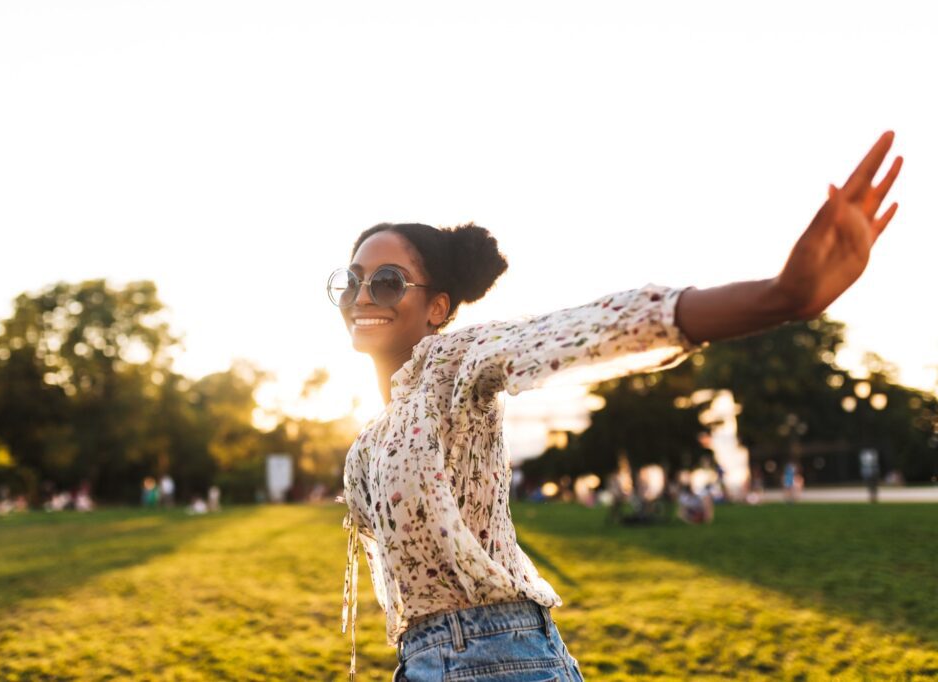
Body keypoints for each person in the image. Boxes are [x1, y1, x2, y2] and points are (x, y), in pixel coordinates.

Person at [332, 131, 901, 680]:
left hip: (494, 657)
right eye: (351, 280)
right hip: (427, 661)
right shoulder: (370, 440)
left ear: (437, 307)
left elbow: (585, 329)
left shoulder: (455, 363)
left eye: (385, 281)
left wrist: (780, 297)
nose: (361, 295)